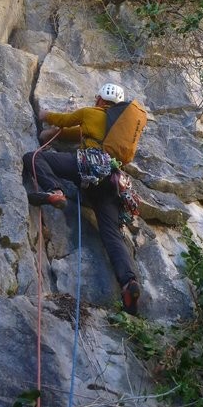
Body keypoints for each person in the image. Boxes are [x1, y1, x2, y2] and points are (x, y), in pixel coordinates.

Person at [22, 83, 141, 315]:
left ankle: (55, 191)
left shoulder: (90, 113)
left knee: (33, 158)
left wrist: (44, 115)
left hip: (88, 166)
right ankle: (128, 282)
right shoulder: (119, 131)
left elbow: (63, 121)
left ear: (100, 100)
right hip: (113, 181)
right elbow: (77, 132)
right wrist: (53, 135)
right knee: (111, 234)